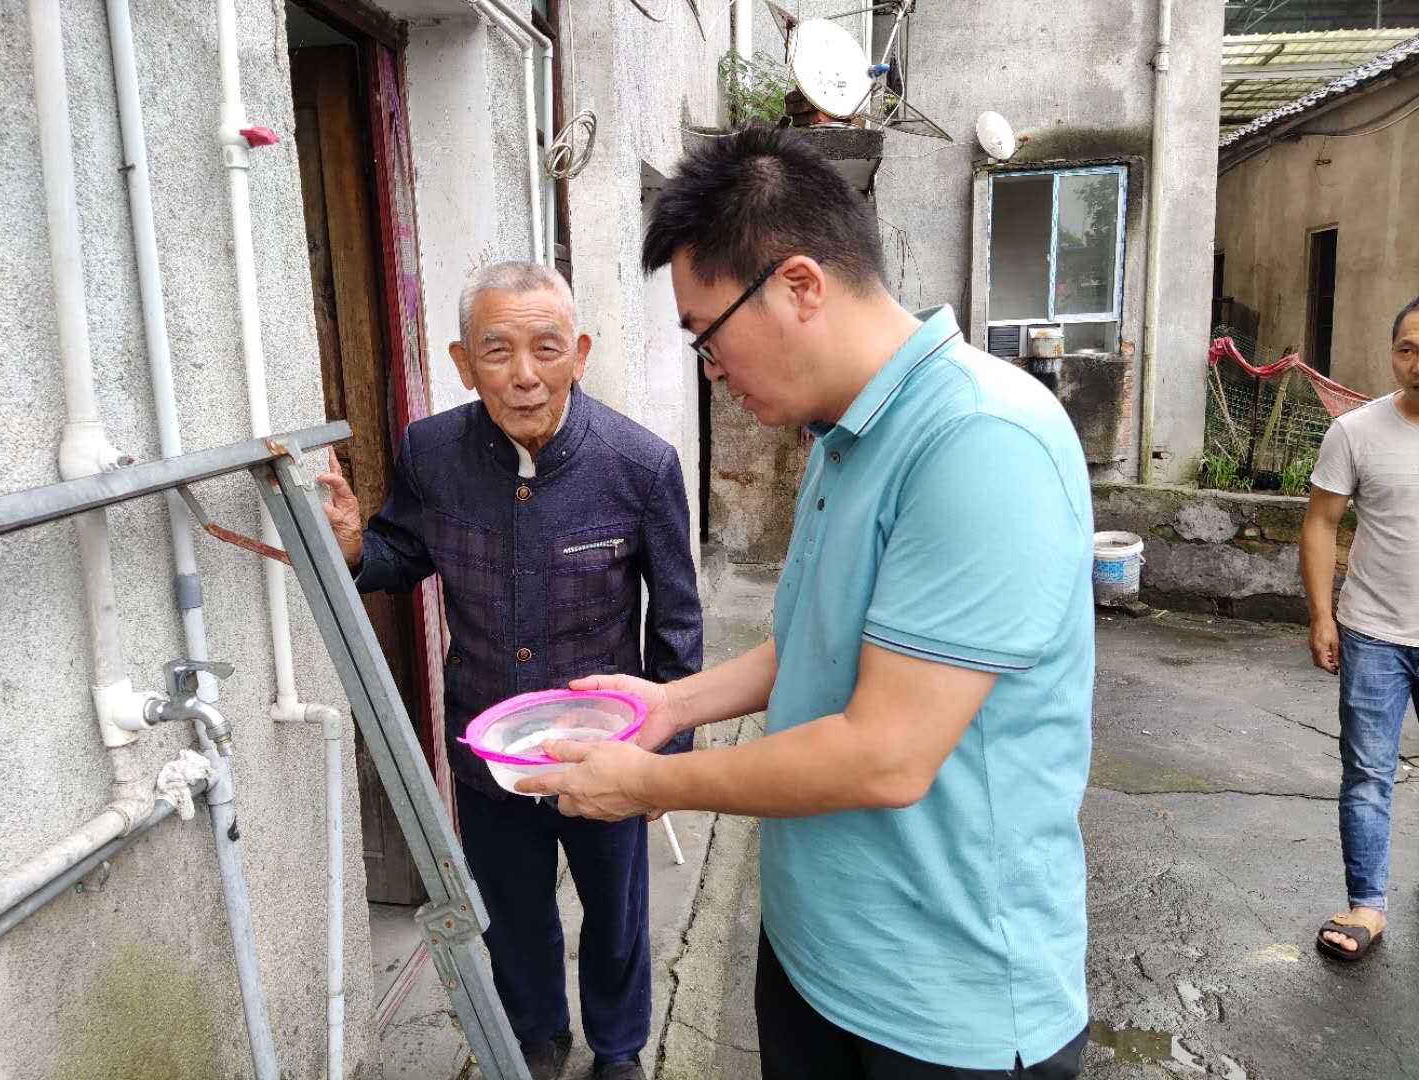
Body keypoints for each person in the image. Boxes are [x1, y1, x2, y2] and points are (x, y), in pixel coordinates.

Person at [521, 127, 1094, 1079]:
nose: (711, 370)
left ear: (798, 285)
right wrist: (671, 706)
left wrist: (649, 784)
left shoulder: (982, 440)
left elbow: (886, 754)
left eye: (708, 337)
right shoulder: (842, 433)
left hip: (946, 1001)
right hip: (819, 953)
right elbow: (816, 643)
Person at [317, 261, 702, 1080]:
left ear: (579, 354)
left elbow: (676, 625)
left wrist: (664, 764)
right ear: (464, 363)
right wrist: (353, 548)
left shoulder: (640, 465)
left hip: (603, 750)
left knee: (617, 912)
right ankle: (535, 1035)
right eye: (497, 351)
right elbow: (402, 552)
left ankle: (619, 1047)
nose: (524, 375)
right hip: (488, 751)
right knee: (512, 911)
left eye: (546, 348)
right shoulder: (432, 453)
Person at [1302, 295, 1419, 963]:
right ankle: (1367, 905)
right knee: (1369, 774)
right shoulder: (1355, 432)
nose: (1418, 362)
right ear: (1393, 353)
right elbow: (1321, 522)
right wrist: (1322, 614)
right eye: (1408, 349)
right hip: (1374, 632)